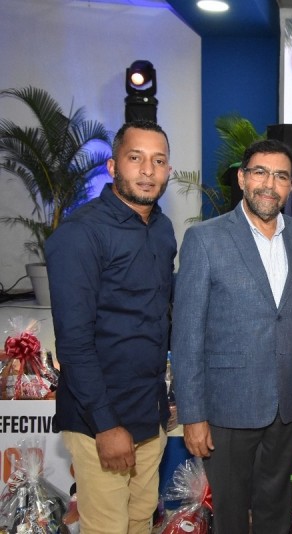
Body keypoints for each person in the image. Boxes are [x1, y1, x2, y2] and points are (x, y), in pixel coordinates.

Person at [170, 139, 292, 534]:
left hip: (285, 408)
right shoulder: (205, 239)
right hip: (227, 410)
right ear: (241, 178)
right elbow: (186, 336)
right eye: (260, 173)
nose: (269, 184)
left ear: (291, 185)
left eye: (281, 176)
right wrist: (193, 415)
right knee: (231, 518)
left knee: (278, 515)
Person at [45, 120, 176, 534]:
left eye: (158, 161)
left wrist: (165, 404)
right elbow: (74, 343)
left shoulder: (162, 229)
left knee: (140, 520)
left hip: (149, 414)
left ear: (169, 170)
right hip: (100, 419)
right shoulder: (80, 234)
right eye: (135, 158)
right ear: (113, 165)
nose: (148, 170)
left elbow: (157, 318)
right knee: (107, 528)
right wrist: (105, 425)